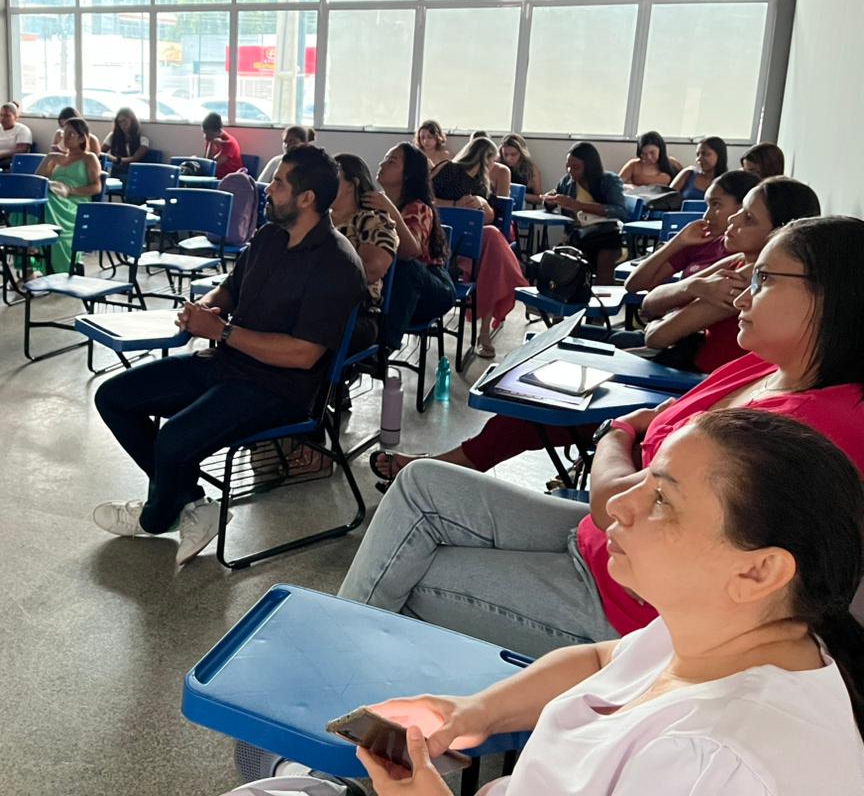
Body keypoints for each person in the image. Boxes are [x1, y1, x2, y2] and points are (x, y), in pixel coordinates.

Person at [348, 215, 864, 656]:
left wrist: (615, 434)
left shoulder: (812, 429)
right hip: (602, 547)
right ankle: (338, 680)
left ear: (831, 295)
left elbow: (615, 500)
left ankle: (341, 697)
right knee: (421, 484)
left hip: (628, 612)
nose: (745, 293)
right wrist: (631, 441)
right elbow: (655, 429)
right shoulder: (763, 368)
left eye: (764, 279)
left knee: (407, 572)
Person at [342, 411, 864, 796]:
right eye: (644, 478)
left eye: (662, 500)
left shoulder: (718, 765)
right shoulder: (716, 631)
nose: (618, 503)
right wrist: (475, 711)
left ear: (757, 571)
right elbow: (601, 662)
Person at [91, 145, 367, 564]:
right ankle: (191, 502)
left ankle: (154, 517)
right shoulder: (271, 235)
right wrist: (206, 307)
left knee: (173, 439)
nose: (267, 189)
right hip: (228, 362)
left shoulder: (337, 263)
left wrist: (221, 330)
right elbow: (231, 288)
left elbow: (303, 355)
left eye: (279, 183)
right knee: (113, 397)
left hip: (280, 389)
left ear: (306, 198)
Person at [638, 176, 820, 373]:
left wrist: (656, 322)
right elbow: (649, 303)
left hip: (706, 379)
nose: (732, 219)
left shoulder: (750, 280)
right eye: (741, 210)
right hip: (696, 365)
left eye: (748, 218)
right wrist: (692, 287)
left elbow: (657, 338)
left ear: (779, 234)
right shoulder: (739, 260)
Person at [432, 146, 528, 360]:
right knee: (493, 246)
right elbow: (427, 201)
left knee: (492, 245)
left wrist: (483, 204)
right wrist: (455, 205)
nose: (494, 165)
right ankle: (485, 330)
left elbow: (490, 217)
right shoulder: (448, 171)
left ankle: (484, 331)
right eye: (492, 160)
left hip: (470, 247)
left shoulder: (482, 182)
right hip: (442, 244)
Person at [367, 143, 455, 351]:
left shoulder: (419, 208)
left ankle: (384, 348)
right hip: (395, 289)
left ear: (407, 174)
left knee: (406, 266)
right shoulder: (375, 204)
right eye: (385, 159)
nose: (382, 164)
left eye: (392, 162)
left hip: (431, 289)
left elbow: (411, 251)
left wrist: (390, 210)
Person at [624, 170, 760, 295]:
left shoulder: (752, 257)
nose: (707, 216)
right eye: (707, 206)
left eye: (716, 205)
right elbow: (634, 284)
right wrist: (677, 242)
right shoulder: (702, 242)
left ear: (744, 208)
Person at [544, 141, 630, 284]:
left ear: (589, 166)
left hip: (606, 235)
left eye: (576, 167)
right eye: (568, 166)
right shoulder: (567, 182)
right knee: (562, 260)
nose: (570, 171)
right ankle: (569, 293)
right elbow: (551, 204)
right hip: (578, 236)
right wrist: (550, 200)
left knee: (606, 252)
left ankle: (601, 295)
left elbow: (620, 211)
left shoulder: (608, 180)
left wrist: (579, 205)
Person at [330, 154, 398, 312]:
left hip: (355, 310)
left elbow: (370, 272)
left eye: (332, 178)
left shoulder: (374, 221)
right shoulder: (317, 218)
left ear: (352, 184)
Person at [37, 117, 102, 275]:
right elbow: (38, 181)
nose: (65, 137)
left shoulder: (89, 158)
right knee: (26, 208)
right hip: (54, 196)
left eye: (71, 134)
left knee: (46, 204)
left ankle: (57, 269)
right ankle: (29, 266)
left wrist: (69, 190)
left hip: (74, 202)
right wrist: (48, 158)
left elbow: (96, 187)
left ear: (82, 138)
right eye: (64, 133)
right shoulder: (57, 158)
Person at [671, 136, 727, 201]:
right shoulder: (688, 174)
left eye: (705, 154)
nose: (699, 159)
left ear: (719, 155)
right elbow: (667, 198)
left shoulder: (726, 182)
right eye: (697, 155)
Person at [101, 107, 149, 179]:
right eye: (120, 122)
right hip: (116, 172)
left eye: (125, 121)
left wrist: (116, 159)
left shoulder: (143, 140)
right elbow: (101, 152)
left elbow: (135, 159)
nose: (123, 124)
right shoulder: (112, 136)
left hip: (134, 173)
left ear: (132, 121)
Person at [497, 133, 542, 206]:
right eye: (505, 154)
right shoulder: (497, 166)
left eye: (513, 154)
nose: (509, 158)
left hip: (521, 207)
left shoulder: (531, 169)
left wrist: (520, 195)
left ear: (521, 153)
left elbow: (539, 199)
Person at [202, 112, 243, 179]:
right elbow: (207, 161)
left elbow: (212, 165)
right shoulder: (211, 138)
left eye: (209, 134)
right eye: (204, 133)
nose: (206, 137)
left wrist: (213, 143)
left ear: (218, 131)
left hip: (230, 179)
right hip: (215, 177)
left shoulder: (229, 143)